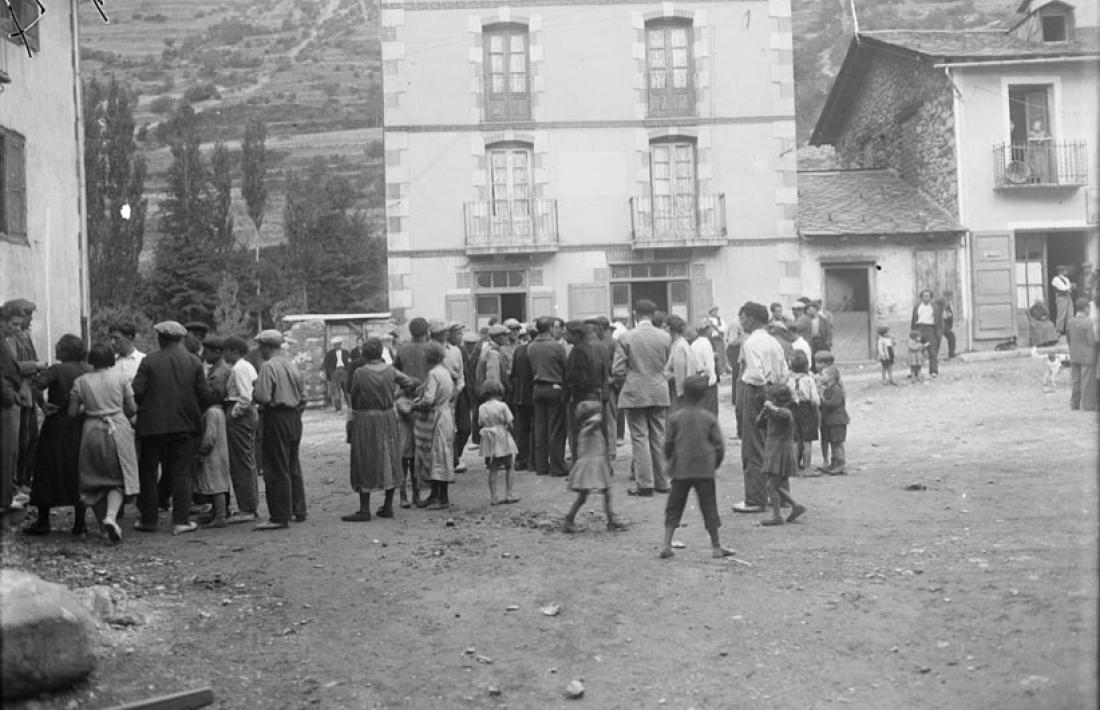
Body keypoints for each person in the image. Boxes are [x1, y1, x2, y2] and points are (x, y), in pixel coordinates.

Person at [133, 321, 212, 536]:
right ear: (180, 339)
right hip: (184, 425)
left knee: (148, 472)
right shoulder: (194, 362)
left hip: (152, 425)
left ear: (161, 338)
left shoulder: (149, 361)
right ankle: (181, 520)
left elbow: (137, 392)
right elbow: (205, 395)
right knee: (181, 473)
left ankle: (149, 520)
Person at [70, 342, 140, 543]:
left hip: (91, 430)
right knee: (117, 477)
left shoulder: (80, 381)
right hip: (117, 428)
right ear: (111, 358)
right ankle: (111, 516)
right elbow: (132, 408)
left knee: (93, 479)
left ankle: (103, 526)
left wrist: (89, 409)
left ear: (91, 359)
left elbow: (72, 412)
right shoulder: (121, 377)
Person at [23, 334, 92, 536]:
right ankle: (80, 523)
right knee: (77, 469)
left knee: (47, 469)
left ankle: (43, 520)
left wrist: (43, 404)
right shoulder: (88, 370)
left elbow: (35, 385)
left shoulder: (56, 370)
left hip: (56, 424)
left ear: (64, 351)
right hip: (80, 424)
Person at [341, 337, 414, 522]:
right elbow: (408, 382)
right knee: (389, 457)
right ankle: (388, 506)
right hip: (388, 417)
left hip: (366, 418)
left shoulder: (360, 372)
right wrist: (396, 395)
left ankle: (364, 509)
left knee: (364, 458)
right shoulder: (390, 370)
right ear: (381, 352)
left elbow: (353, 393)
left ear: (364, 354)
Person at [658, 375, 731, 559]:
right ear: (704, 395)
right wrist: (715, 463)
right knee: (709, 506)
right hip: (704, 469)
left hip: (681, 468)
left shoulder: (675, 418)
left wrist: (670, 462)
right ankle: (716, 546)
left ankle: (666, 544)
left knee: (674, 505)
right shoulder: (709, 418)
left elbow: (668, 444)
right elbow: (719, 445)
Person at [733, 302, 788, 514]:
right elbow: (783, 371)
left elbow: (755, 373)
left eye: (743, 318)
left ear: (751, 319)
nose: (742, 323)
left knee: (753, 445)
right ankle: (781, 495)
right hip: (775, 390)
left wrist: (763, 394)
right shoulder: (774, 342)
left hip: (756, 391)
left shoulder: (750, 343)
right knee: (774, 442)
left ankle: (756, 498)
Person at [614, 300, 672, 497]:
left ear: (634, 314)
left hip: (635, 392)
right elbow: (667, 364)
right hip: (659, 390)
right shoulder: (665, 337)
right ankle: (663, 482)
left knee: (640, 438)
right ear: (653, 314)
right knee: (659, 436)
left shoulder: (626, 337)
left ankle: (645, 484)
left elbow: (618, 370)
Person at [252, 329, 308, 530]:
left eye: (261, 347)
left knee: (276, 467)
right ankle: (298, 509)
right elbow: (304, 397)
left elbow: (263, 396)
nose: (260, 351)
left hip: (276, 417)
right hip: (294, 416)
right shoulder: (291, 365)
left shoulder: (268, 367)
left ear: (267, 346)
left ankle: (279, 516)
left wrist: (255, 391)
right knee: (293, 464)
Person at [562, 400, 625, 533]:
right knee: (583, 496)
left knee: (606, 493)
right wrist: (597, 418)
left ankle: (611, 519)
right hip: (589, 468)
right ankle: (569, 519)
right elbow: (594, 424)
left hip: (596, 465)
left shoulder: (592, 429)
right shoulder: (586, 430)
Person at [4, 298, 44, 496]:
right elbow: (13, 367)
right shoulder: (10, 338)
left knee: (30, 439)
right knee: (20, 440)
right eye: (28, 314)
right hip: (19, 393)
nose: (30, 319)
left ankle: (24, 479)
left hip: (29, 393)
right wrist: (35, 366)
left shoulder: (25, 336)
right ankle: (17, 481)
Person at [412, 342, 456, 510]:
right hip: (445, 414)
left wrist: (416, 404)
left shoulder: (433, 374)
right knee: (442, 454)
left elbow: (429, 399)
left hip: (436, 417)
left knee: (437, 456)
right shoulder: (444, 372)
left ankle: (442, 498)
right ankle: (435, 495)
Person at [222, 336, 260, 525]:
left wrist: (234, 414)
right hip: (246, 414)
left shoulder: (239, 368)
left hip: (240, 414)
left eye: (226, 351)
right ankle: (249, 504)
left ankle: (248, 507)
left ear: (234, 351)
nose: (224, 354)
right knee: (246, 459)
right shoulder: (247, 366)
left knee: (241, 461)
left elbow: (245, 397)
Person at [756, 385, 807, 526]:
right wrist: (764, 411)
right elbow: (759, 424)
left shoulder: (785, 412)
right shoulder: (774, 412)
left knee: (771, 485)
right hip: (775, 452)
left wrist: (772, 408)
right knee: (775, 485)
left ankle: (777, 516)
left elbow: (786, 415)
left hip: (781, 453)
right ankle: (795, 506)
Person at [527, 317, 568, 477]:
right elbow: (564, 367)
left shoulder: (531, 347)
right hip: (554, 386)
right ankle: (557, 465)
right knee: (556, 428)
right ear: (550, 328)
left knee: (540, 428)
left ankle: (541, 465)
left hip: (537, 387)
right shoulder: (556, 347)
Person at [564, 321, 606, 462]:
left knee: (579, 434)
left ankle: (579, 467)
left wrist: (568, 388)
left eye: (567, 332)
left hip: (581, 398)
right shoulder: (588, 348)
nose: (565, 335)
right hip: (592, 395)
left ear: (576, 335)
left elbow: (578, 377)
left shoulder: (578, 351)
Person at [477, 380, 519, 505]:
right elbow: (510, 422)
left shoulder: (482, 407)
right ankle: (509, 494)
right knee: (509, 465)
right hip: (501, 435)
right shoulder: (502, 406)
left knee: (493, 468)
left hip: (489, 438)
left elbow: (480, 423)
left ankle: (494, 497)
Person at [0, 304, 24, 512]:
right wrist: (9, 397)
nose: (17, 328)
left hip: (7, 397)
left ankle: (6, 496)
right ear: (3, 321)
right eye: (14, 324)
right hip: (4, 401)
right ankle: (4, 500)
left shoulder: (5, 339)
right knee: (6, 451)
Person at [195, 400, 231, 528]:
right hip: (222, 454)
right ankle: (217, 513)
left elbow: (210, 436)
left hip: (212, 456)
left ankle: (220, 516)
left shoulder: (211, 413)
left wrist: (202, 451)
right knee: (220, 484)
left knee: (216, 487)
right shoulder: (221, 411)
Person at [509, 323, 537, 471]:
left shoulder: (519, 350)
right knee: (535, 428)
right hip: (533, 393)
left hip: (520, 395)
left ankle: (521, 460)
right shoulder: (536, 350)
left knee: (522, 428)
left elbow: (512, 374)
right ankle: (533, 460)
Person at [787, 350, 819, 474]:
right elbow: (815, 398)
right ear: (806, 366)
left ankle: (794, 468)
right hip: (807, 409)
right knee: (807, 440)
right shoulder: (808, 380)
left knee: (795, 439)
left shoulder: (788, 379)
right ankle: (807, 467)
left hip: (792, 408)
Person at [445, 323, 471, 472]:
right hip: (444, 393)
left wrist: (460, 388)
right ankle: (452, 460)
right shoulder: (440, 350)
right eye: (458, 334)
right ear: (449, 334)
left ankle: (455, 455)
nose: (461, 337)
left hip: (459, 392)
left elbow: (462, 373)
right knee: (448, 428)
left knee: (465, 428)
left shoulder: (459, 350)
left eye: (461, 334)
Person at [817, 361, 850, 476]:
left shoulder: (836, 389)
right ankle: (834, 462)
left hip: (837, 421)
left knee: (837, 443)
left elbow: (833, 403)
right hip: (831, 421)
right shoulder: (829, 388)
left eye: (823, 375)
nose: (820, 377)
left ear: (831, 377)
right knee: (833, 442)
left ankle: (841, 464)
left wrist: (822, 399)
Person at [1067, 298, 1097, 411]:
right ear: (1086, 308)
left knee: (1075, 380)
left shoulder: (1070, 322)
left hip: (1074, 354)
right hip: (1087, 356)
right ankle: (1086, 405)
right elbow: (1091, 341)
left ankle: (1074, 404)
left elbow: (1068, 339)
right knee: (1087, 382)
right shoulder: (1088, 323)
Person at [663, 315, 698, 409]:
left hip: (679, 393)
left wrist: (665, 375)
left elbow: (679, 373)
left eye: (665, 327)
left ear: (670, 328)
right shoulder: (677, 344)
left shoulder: (679, 346)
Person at [688, 323, 719, 418]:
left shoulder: (694, 343)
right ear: (706, 330)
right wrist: (712, 379)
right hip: (706, 379)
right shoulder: (706, 343)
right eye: (710, 328)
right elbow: (709, 364)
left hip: (697, 377)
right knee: (711, 411)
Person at [812, 350, 836, 467]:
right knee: (824, 436)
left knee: (833, 436)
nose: (816, 365)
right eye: (816, 362)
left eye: (820, 363)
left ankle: (834, 459)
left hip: (830, 411)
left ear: (828, 364)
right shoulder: (815, 377)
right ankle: (825, 459)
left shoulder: (833, 379)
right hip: (820, 411)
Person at [910, 289, 941, 377]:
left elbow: (939, 321)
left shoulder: (935, 308)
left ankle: (933, 371)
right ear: (921, 297)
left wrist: (937, 333)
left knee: (932, 351)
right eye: (924, 296)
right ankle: (915, 372)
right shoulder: (917, 307)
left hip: (930, 329)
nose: (926, 298)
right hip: (919, 328)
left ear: (931, 297)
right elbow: (913, 320)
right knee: (916, 351)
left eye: (928, 296)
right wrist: (913, 332)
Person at [323, 337, 351, 413]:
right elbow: (326, 364)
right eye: (334, 345)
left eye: (338, 344)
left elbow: (350, 362)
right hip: (335, 372)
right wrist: (331, 373)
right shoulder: (329, 354)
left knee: (347, 390)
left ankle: (350, 407)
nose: (336, 346)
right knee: (336, 392)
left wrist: (348, 371)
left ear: (340, 344)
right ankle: (338, 409)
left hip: (344, 372)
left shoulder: (346, 352)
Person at [1052, 265, 1075, 335]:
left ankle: (1069, 330)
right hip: (1061, 297)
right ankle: (1058, 330)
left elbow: (1068, 289)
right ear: (1060, 271)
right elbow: (1063, 288)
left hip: (1068, 296)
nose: (1066, 271)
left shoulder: (1066, 279)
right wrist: (1070, 285)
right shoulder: (1056, 279)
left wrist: (1072, 287)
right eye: (1064, 270)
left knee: (1070, 314)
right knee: (1061, 314)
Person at [935, 291, 956, 359]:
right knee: (950, 336)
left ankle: (951, 353)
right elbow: (942, 313)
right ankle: (951, 354)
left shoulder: (947, 301)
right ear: (946, 295)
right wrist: (947, 315)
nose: (951, 297)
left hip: (944, 323)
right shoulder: (942, 300)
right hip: (941, 323)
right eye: (950, 295)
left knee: (950, 337)